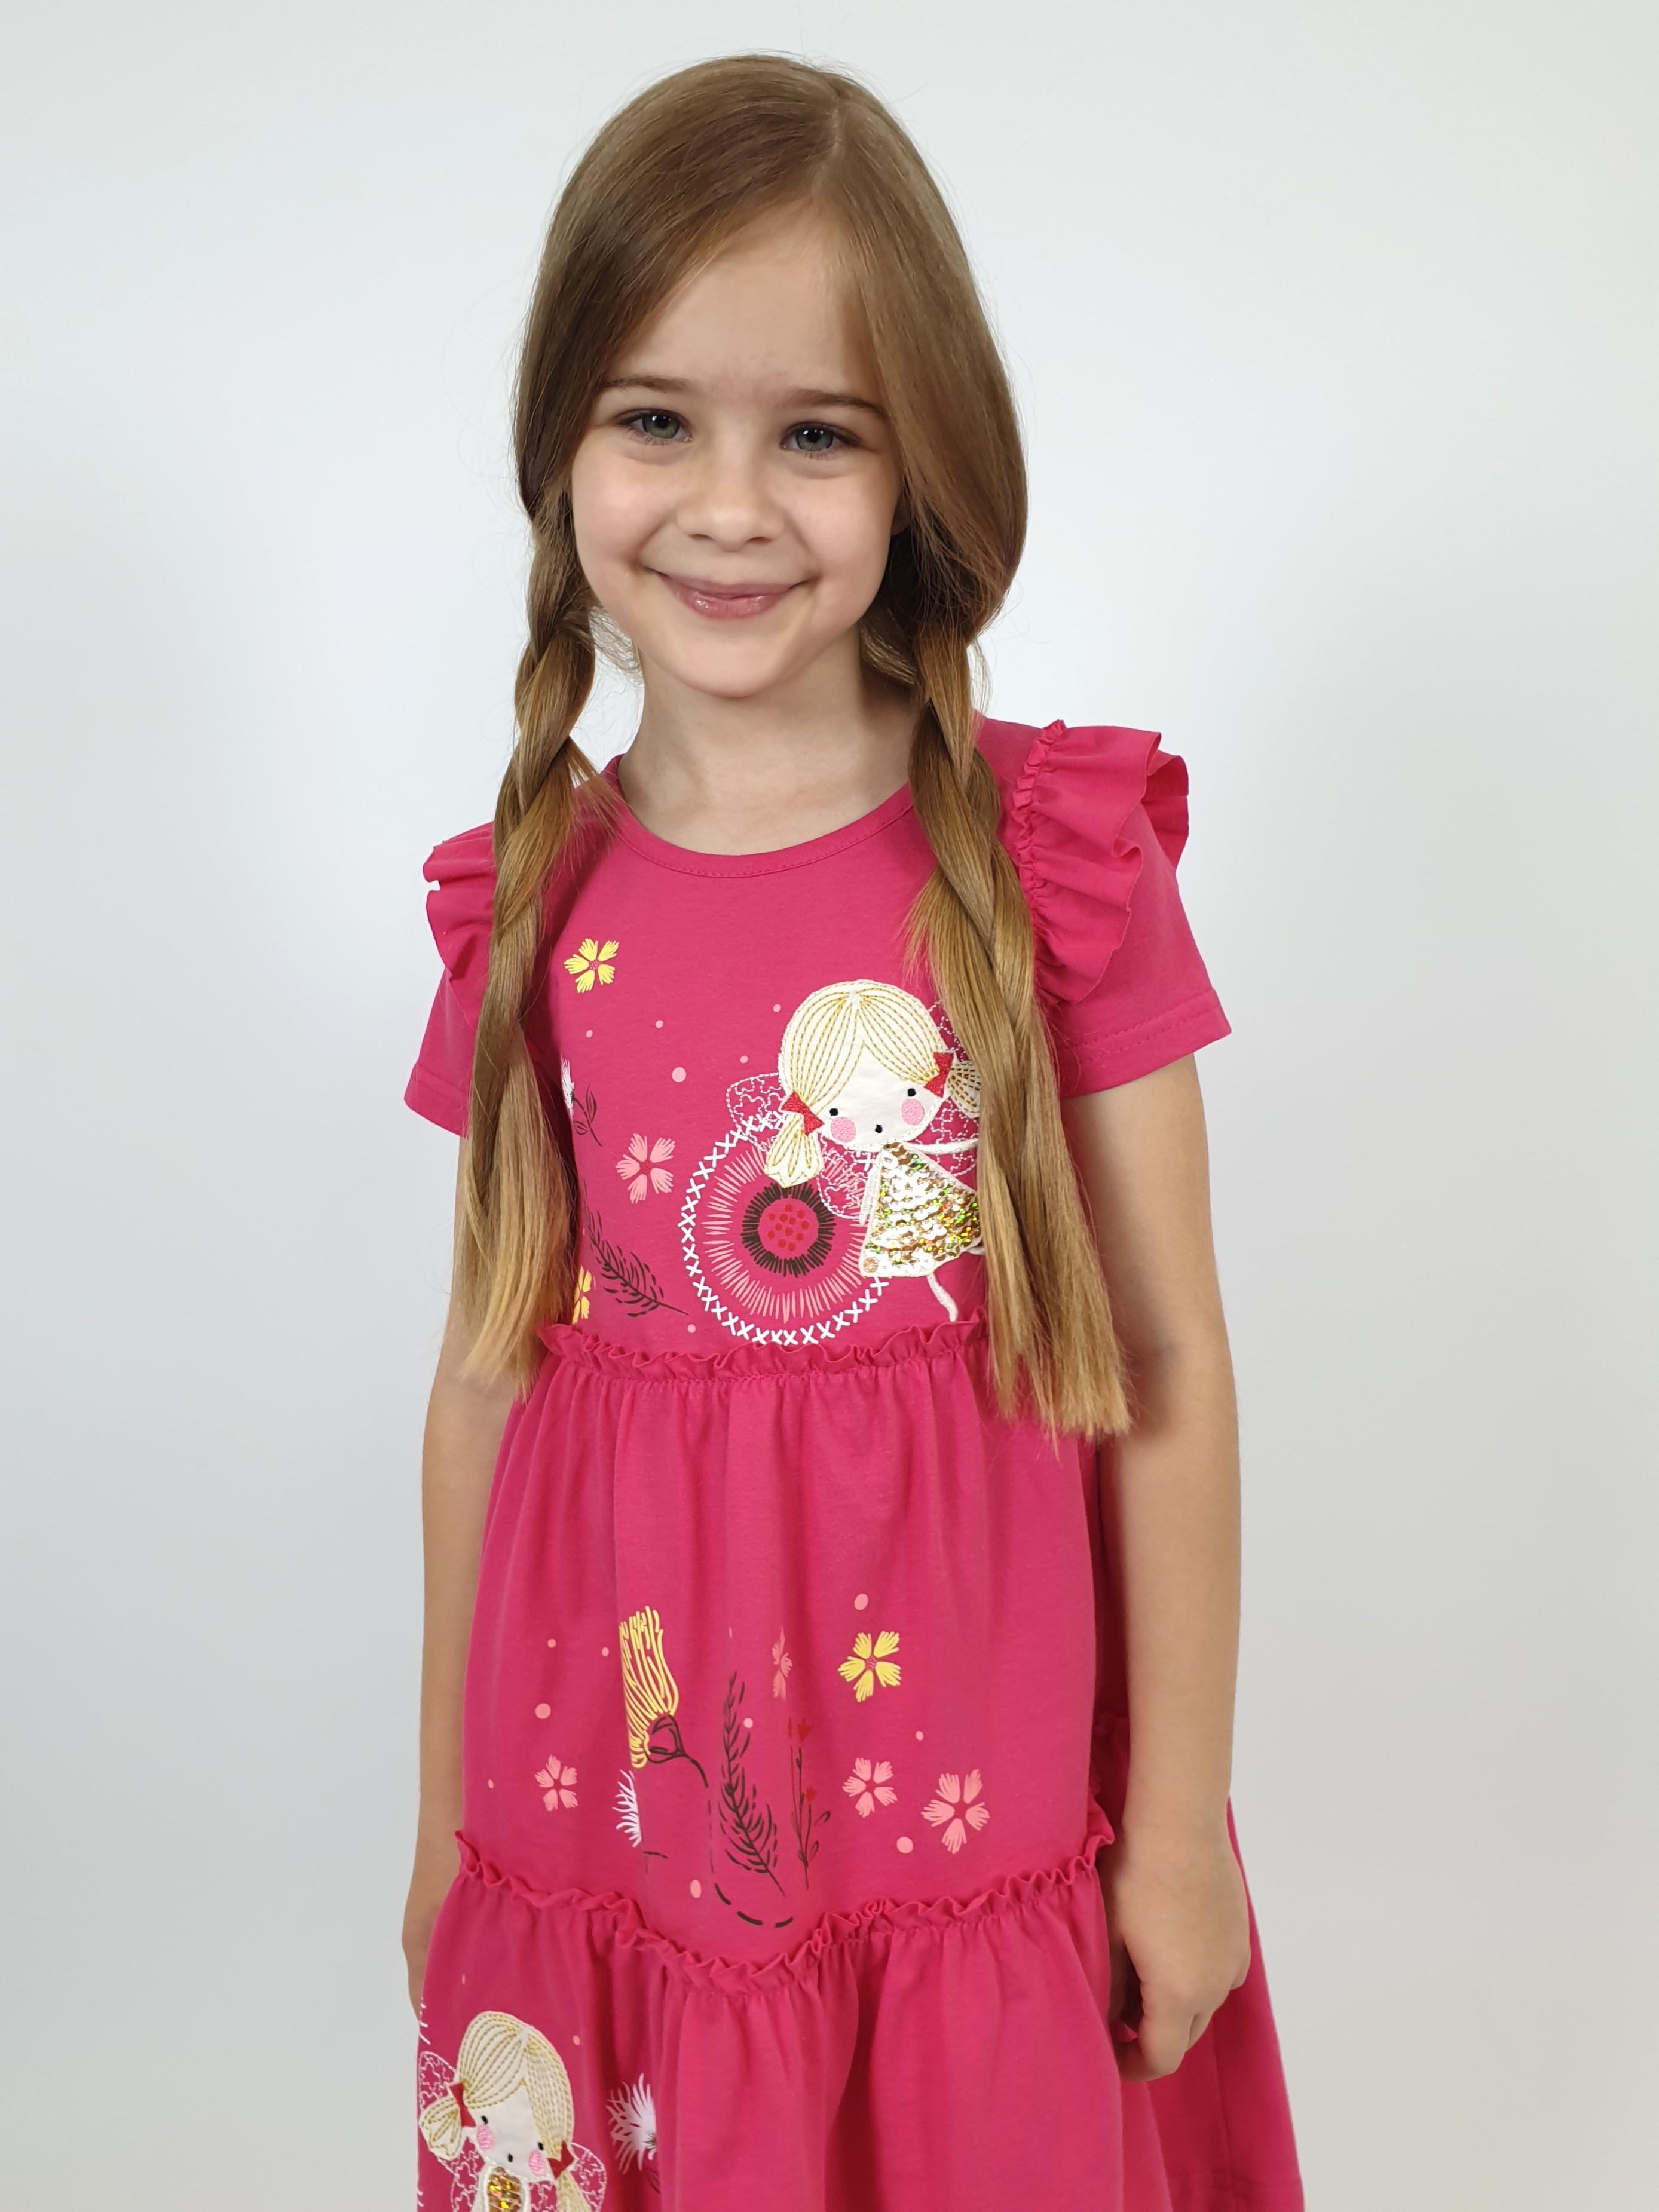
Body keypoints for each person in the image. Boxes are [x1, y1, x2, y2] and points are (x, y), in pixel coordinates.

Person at [400, 52, 1303, 2210]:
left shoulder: (1048, 860)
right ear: (559, 449)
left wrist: (1178, 1833)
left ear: (924, 470)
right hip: (615, 1826)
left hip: (966, 1826)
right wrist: (443, 1826)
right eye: (656, 419)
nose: (730, 504)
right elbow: (485, 1379)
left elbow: (1167, 1360)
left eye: (816, 433)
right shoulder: (532, 903)